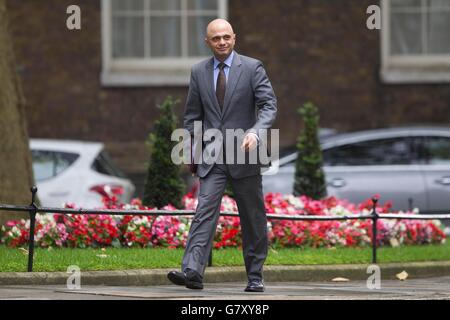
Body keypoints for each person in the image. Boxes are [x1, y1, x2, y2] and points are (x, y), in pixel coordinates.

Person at [167, 19, 277, 292]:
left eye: (226, 37)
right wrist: (198, 141)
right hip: (212, 156)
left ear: (234, 38)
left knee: (252, 216)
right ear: (208, 42)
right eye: (216, 38)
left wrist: (257, 132)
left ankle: (255, 276)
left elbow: (268, 105)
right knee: (204, 211)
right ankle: (192, 271)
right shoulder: (198, 72)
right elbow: (192, 116)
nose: (222, 42)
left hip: (245, 154)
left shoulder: (252, 68)